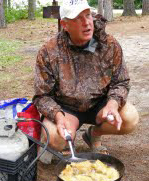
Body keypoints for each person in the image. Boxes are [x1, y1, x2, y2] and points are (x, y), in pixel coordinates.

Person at [33, 0, 139, 164]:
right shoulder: (49, 51)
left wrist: (113, 103)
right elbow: (42, 96)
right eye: (77, 18)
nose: (86, 23)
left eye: (87, 15)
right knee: (54, 138)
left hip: (100, 105)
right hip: (66, 109)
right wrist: (58, 116)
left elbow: (121, 81)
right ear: (65, 24)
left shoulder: (108, 45)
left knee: (130, 118)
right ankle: (57, 141)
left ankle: (93, 134)